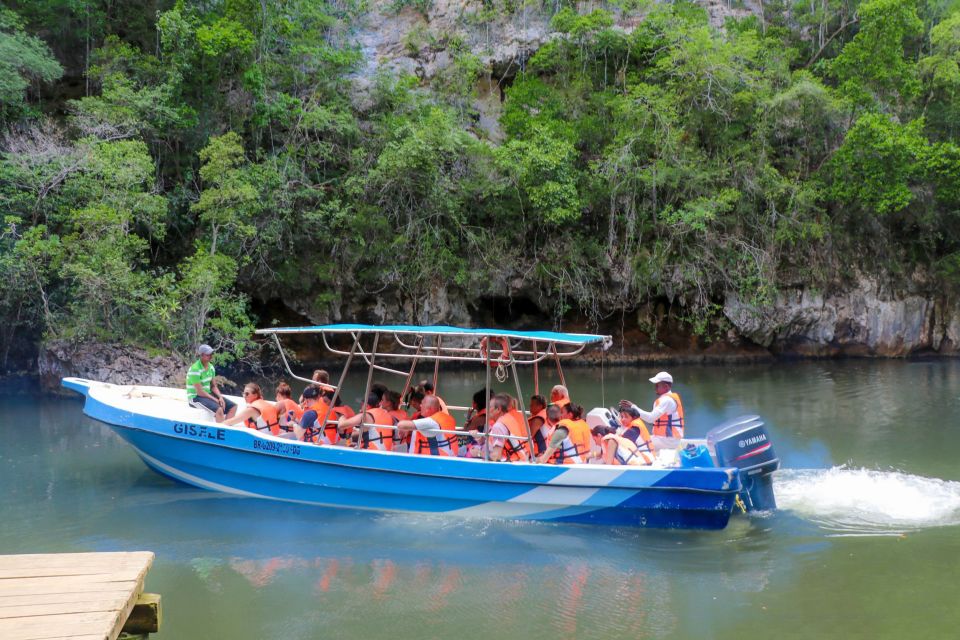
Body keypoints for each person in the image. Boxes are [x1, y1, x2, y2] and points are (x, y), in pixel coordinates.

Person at [620, 371, 685, 438]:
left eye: (657, 385)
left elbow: (650, 418)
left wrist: (633, 407)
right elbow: (653, 420)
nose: (655, 387)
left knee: (635, 441)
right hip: (667, 439)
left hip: (667, 440)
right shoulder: (667, 398)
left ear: (666, 386)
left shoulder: (666, 400)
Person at [186, 344, 236, 422]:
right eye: (208, 354)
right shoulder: (195, 369)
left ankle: (226, 428)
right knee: (219, 409)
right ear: (202, 355)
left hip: (207, 395)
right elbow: (199, 392)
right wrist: (215, 400)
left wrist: (220, 397)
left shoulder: (211, 367)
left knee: (233, 406)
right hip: (195, 397)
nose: (211, 356)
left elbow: (213, 386)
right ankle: (221, 431)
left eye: (211, 354)